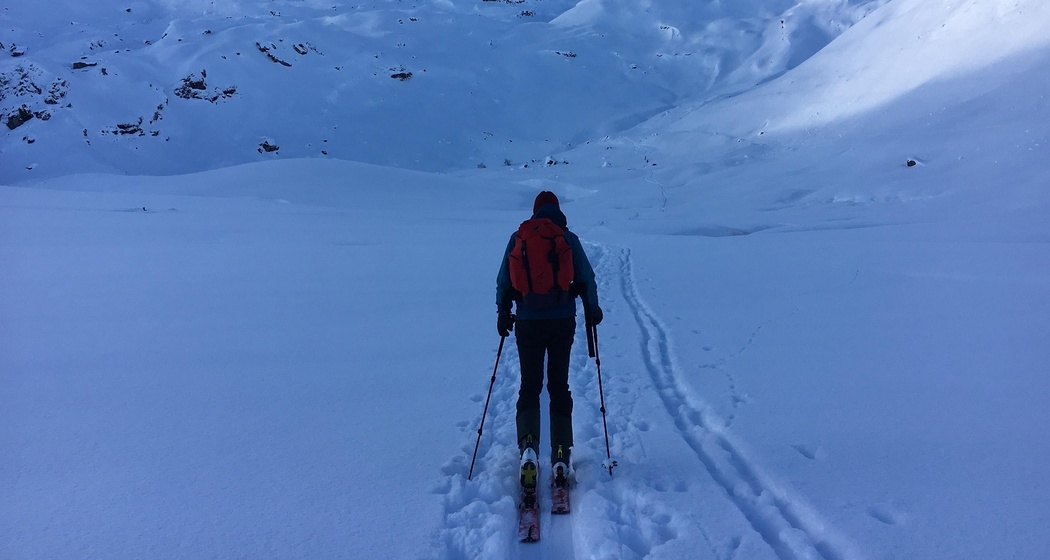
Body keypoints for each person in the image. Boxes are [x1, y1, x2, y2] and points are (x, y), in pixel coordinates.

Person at [495, 191, 602, 479]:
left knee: (530, 384)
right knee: (558, 386)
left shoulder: (520, 237)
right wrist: (593, 309)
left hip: (528, 322)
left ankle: (528, 446)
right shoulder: (567, 238)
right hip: (561, 322)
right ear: (557, 210)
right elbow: (587, 278)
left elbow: (503, 280)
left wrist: (502, 312)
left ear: (535, 211)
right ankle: (560, 453)